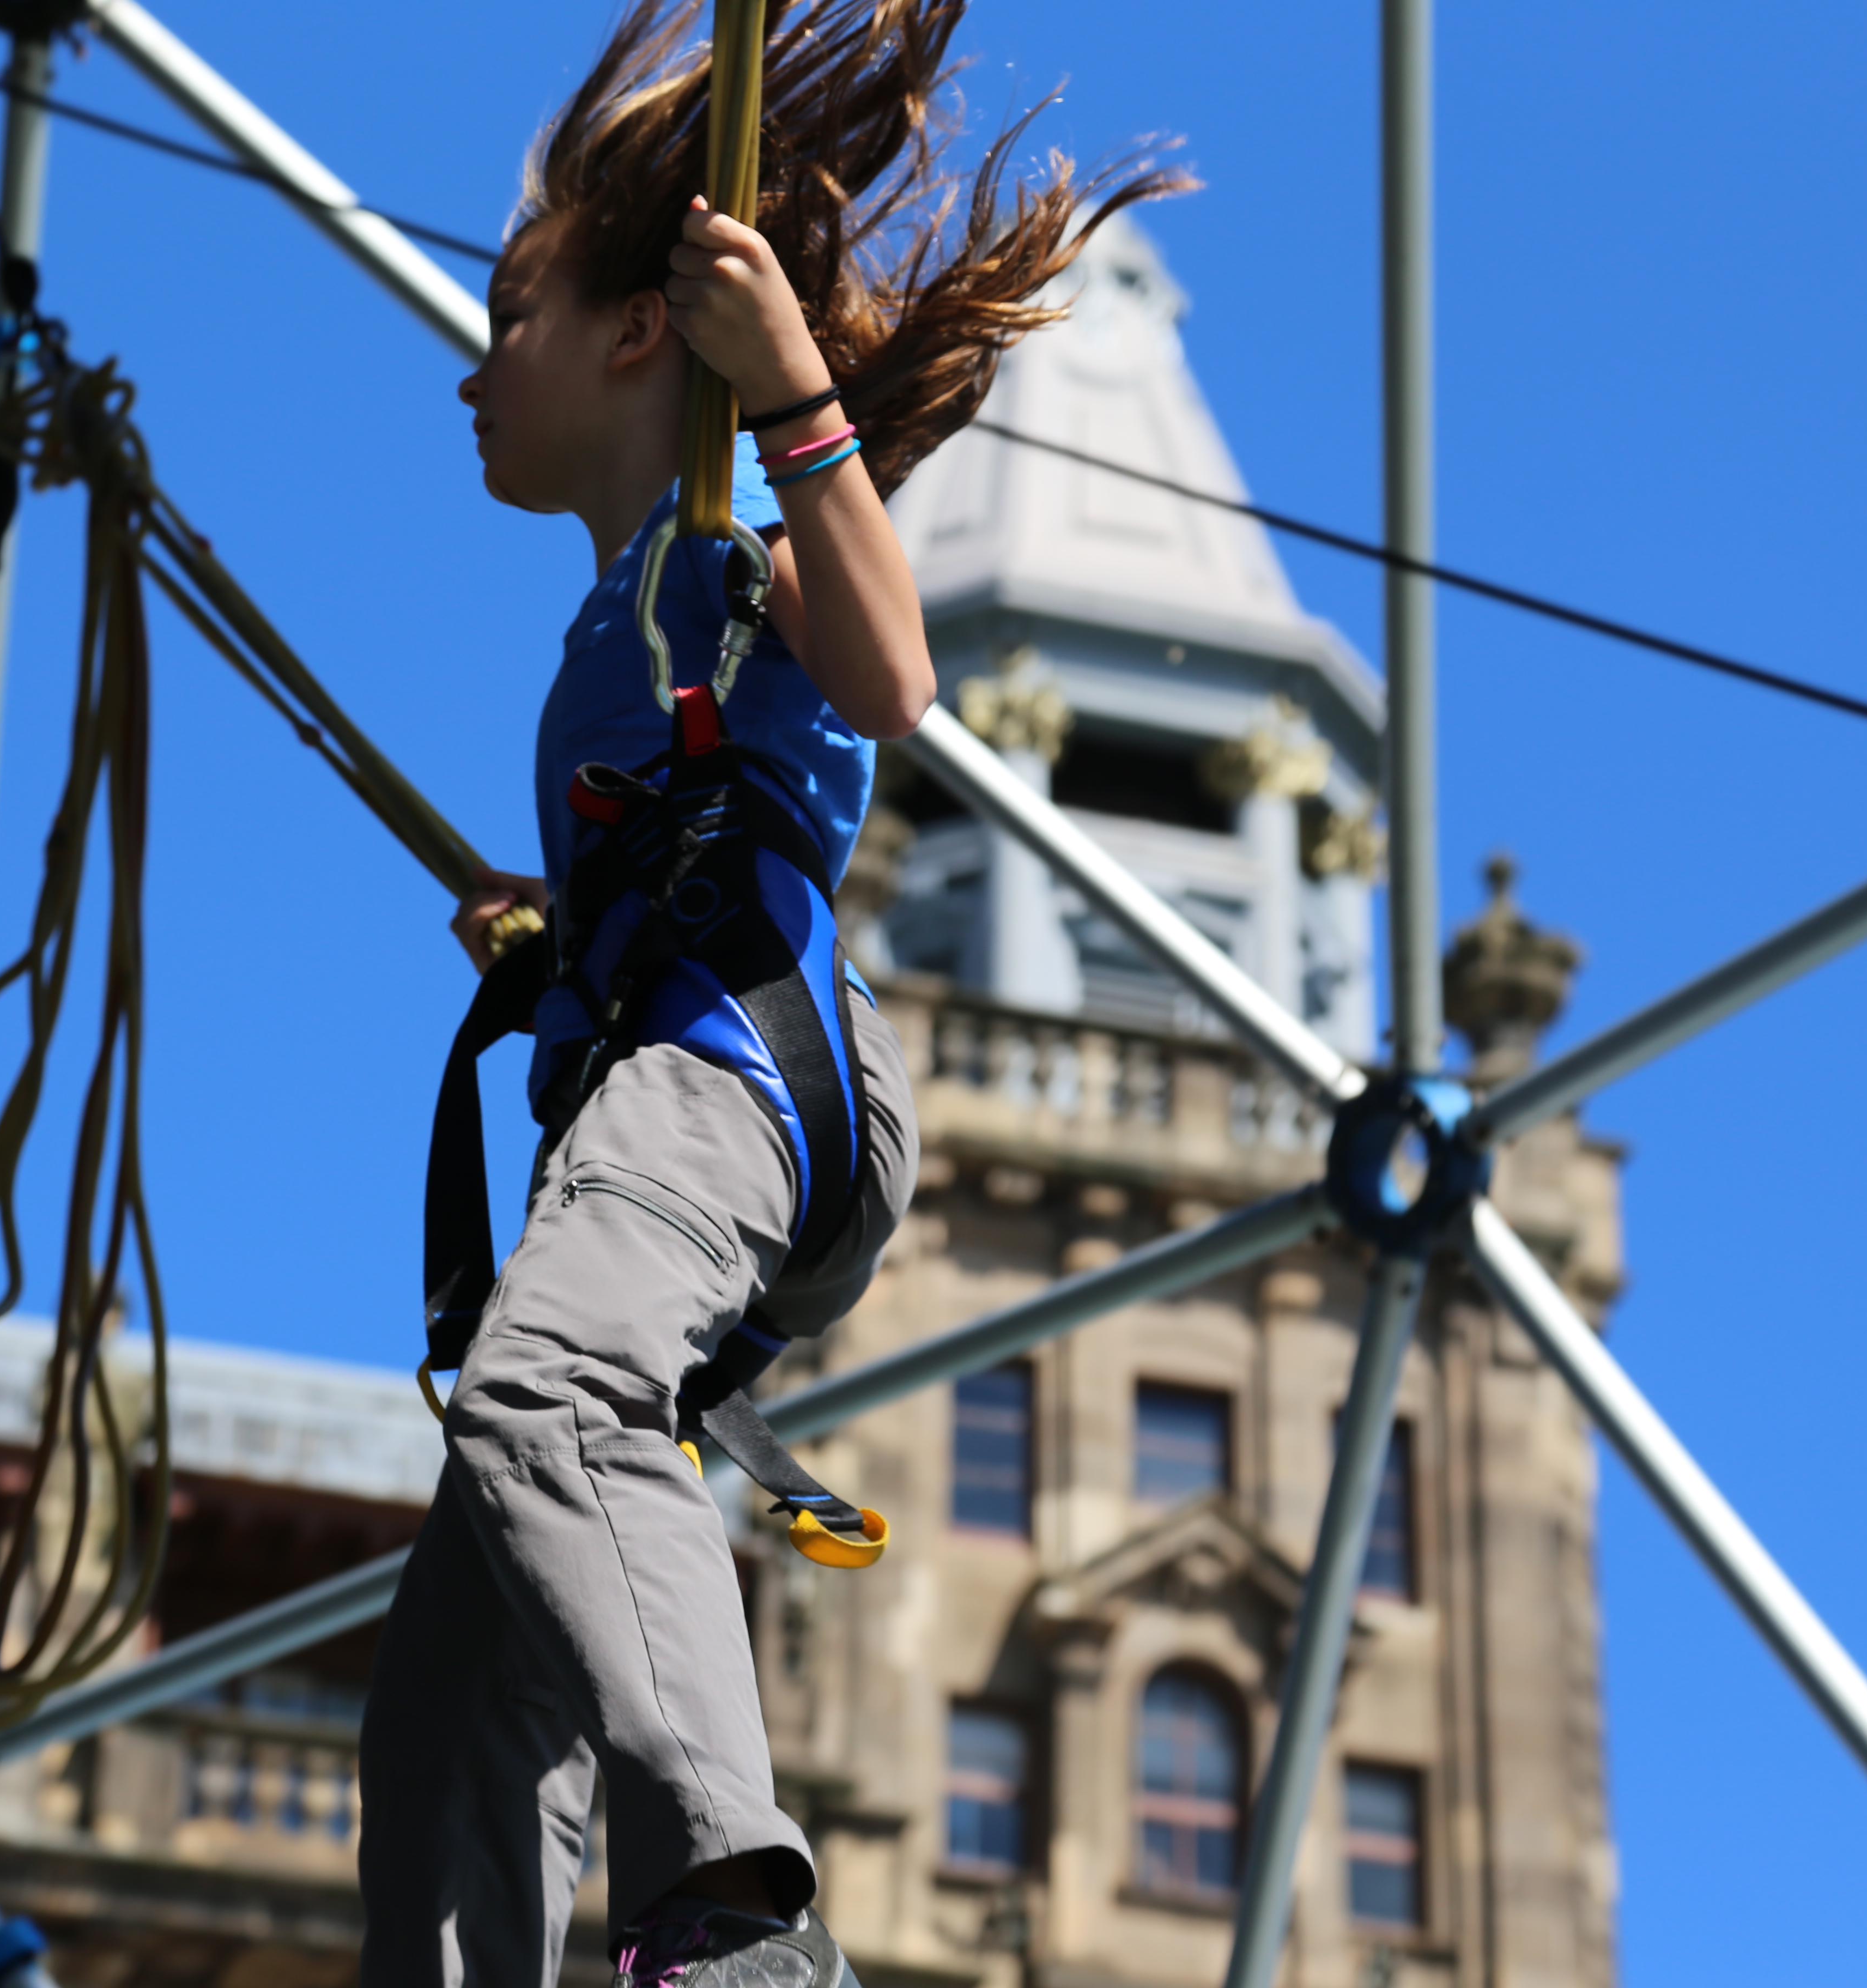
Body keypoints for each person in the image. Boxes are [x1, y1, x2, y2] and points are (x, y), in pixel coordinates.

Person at [359, 4, 1182, 1981]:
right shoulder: (622, 615)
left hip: (742, 1078)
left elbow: (897, 688)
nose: (480, 372)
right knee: (452, 1703)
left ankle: (729, 1910)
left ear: (642, 330)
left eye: (518, 316)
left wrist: (799, 394)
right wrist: (553, 936)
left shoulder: (735, 552)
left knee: (547, 1391)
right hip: (670, 1062)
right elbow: (683, 848)